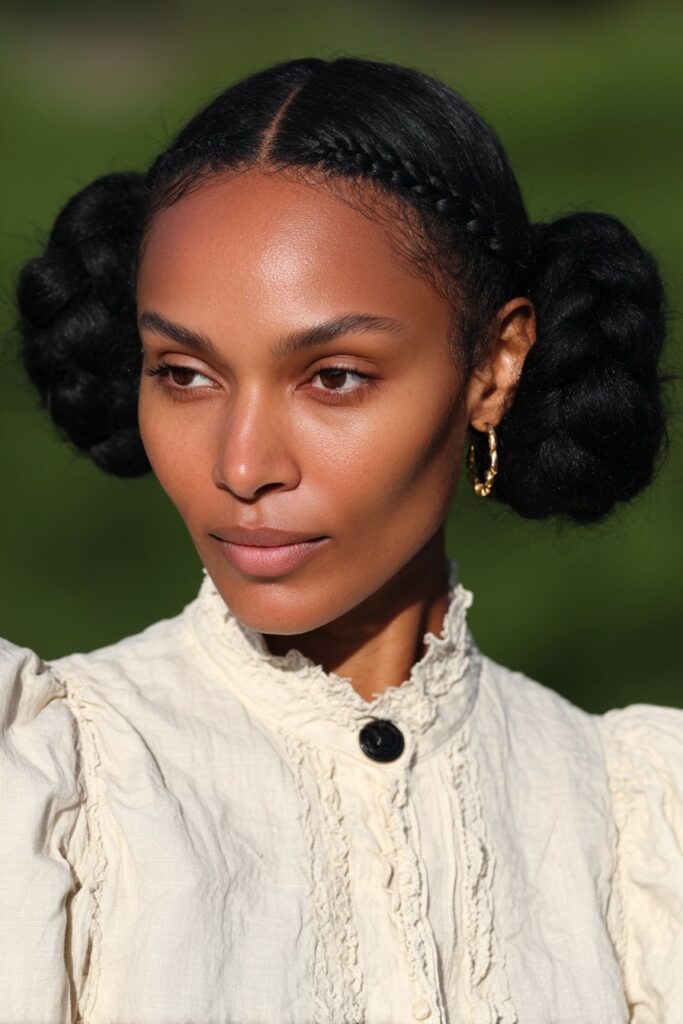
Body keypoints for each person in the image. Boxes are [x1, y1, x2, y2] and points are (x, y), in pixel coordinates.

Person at [1, 54, 680, 1024]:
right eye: (184, 372)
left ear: (493, 364)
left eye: (334, 376)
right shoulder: (45, 792)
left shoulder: (639, 828)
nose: (242, 464)